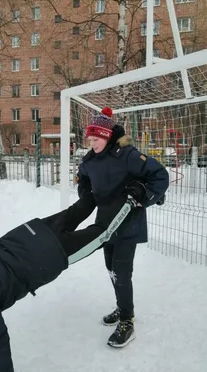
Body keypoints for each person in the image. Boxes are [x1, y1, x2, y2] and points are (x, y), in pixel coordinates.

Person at [0, 182, 144, 372]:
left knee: (101, 233)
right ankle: (106, 182)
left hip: (48, 256)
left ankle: (132, 197)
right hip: (32, 232)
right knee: (78, 210)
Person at [77, 107, 169, 348]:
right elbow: (83, 180)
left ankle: (127, 321)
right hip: (106, 223)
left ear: (107, 136)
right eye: (90, 139)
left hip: (129, 222)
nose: (92, 143)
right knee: (111, 268)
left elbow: (160, 175)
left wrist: (144, 194)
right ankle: (122, 306)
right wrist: (86, 195)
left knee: (121, 271)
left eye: (96, 139)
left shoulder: (126, 155)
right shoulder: (90, 160)